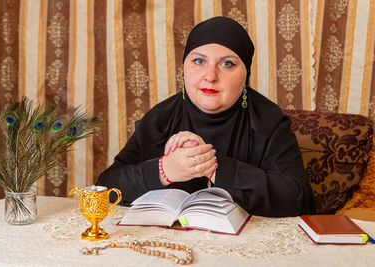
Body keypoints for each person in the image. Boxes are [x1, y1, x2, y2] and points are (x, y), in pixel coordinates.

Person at [97, 16, 315, 217]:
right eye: (199, 61)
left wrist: (211, 165)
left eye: (227, 64)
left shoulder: (268, 121)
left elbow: (299, 199)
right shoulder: (160, 119)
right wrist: (164, 170)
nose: (210, 76)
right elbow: (105, 188)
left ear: (246, 74)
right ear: (184, 67)